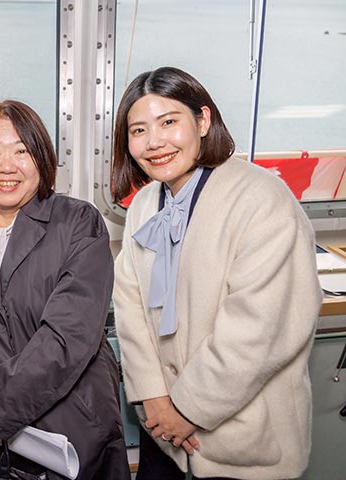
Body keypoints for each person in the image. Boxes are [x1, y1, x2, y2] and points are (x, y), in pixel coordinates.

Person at [112, 66, 322, 480]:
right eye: (138, 131)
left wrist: (186, 410)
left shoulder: (262, 198)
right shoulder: (144, 204)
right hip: (165, 436)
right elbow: (130, 307)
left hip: (245, 443)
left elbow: (257, 329)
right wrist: (153, 398)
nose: (154, 142)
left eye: (169, 122)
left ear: (203, 121)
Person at [0, 100, 130, 480]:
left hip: (76, 425)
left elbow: (68, 334)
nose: (7, 166)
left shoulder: (78, 223)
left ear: (42, 158)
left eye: (22, 151)